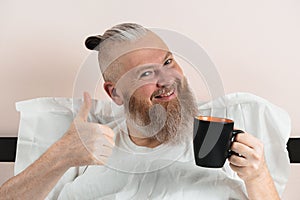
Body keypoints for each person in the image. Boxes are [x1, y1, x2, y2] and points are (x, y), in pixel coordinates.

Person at [0, 23, 280, 200]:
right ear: (115, 93)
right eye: (146, 73)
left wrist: (259, 177)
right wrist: (59, 157)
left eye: (168, 62)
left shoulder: (218, 145)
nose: (167, 79)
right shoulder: (87, 152)